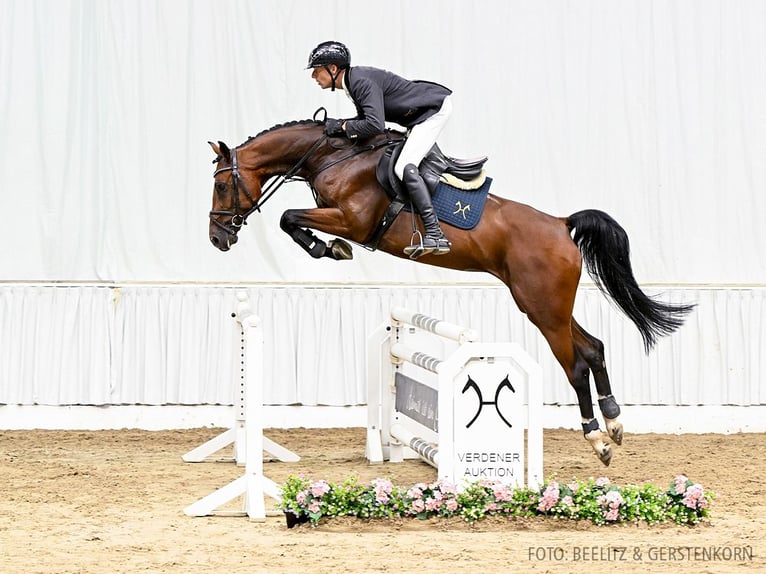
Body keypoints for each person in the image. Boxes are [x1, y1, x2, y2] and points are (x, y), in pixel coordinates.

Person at [307, 40, 452, 258]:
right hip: (418, 114)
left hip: (432, 112)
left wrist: (343, 125)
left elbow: (375, 125)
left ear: (333, 68)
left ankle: (435, 232)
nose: (313, 77)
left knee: (403, 166)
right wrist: (340, 126)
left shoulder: (360, 81)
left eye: (316, 70)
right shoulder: (353, 82)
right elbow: (366, 120)